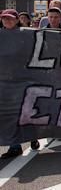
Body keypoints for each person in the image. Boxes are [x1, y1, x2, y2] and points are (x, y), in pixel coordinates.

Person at [0, 9, 40, 159]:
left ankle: (33, 137)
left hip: (25, 79)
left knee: (27, 111)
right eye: (4, 19)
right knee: (9, 114)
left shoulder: (27, 34)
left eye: (10, 19)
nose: (7, 21)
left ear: (17, 20)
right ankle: (15, 146)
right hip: (5, 81)